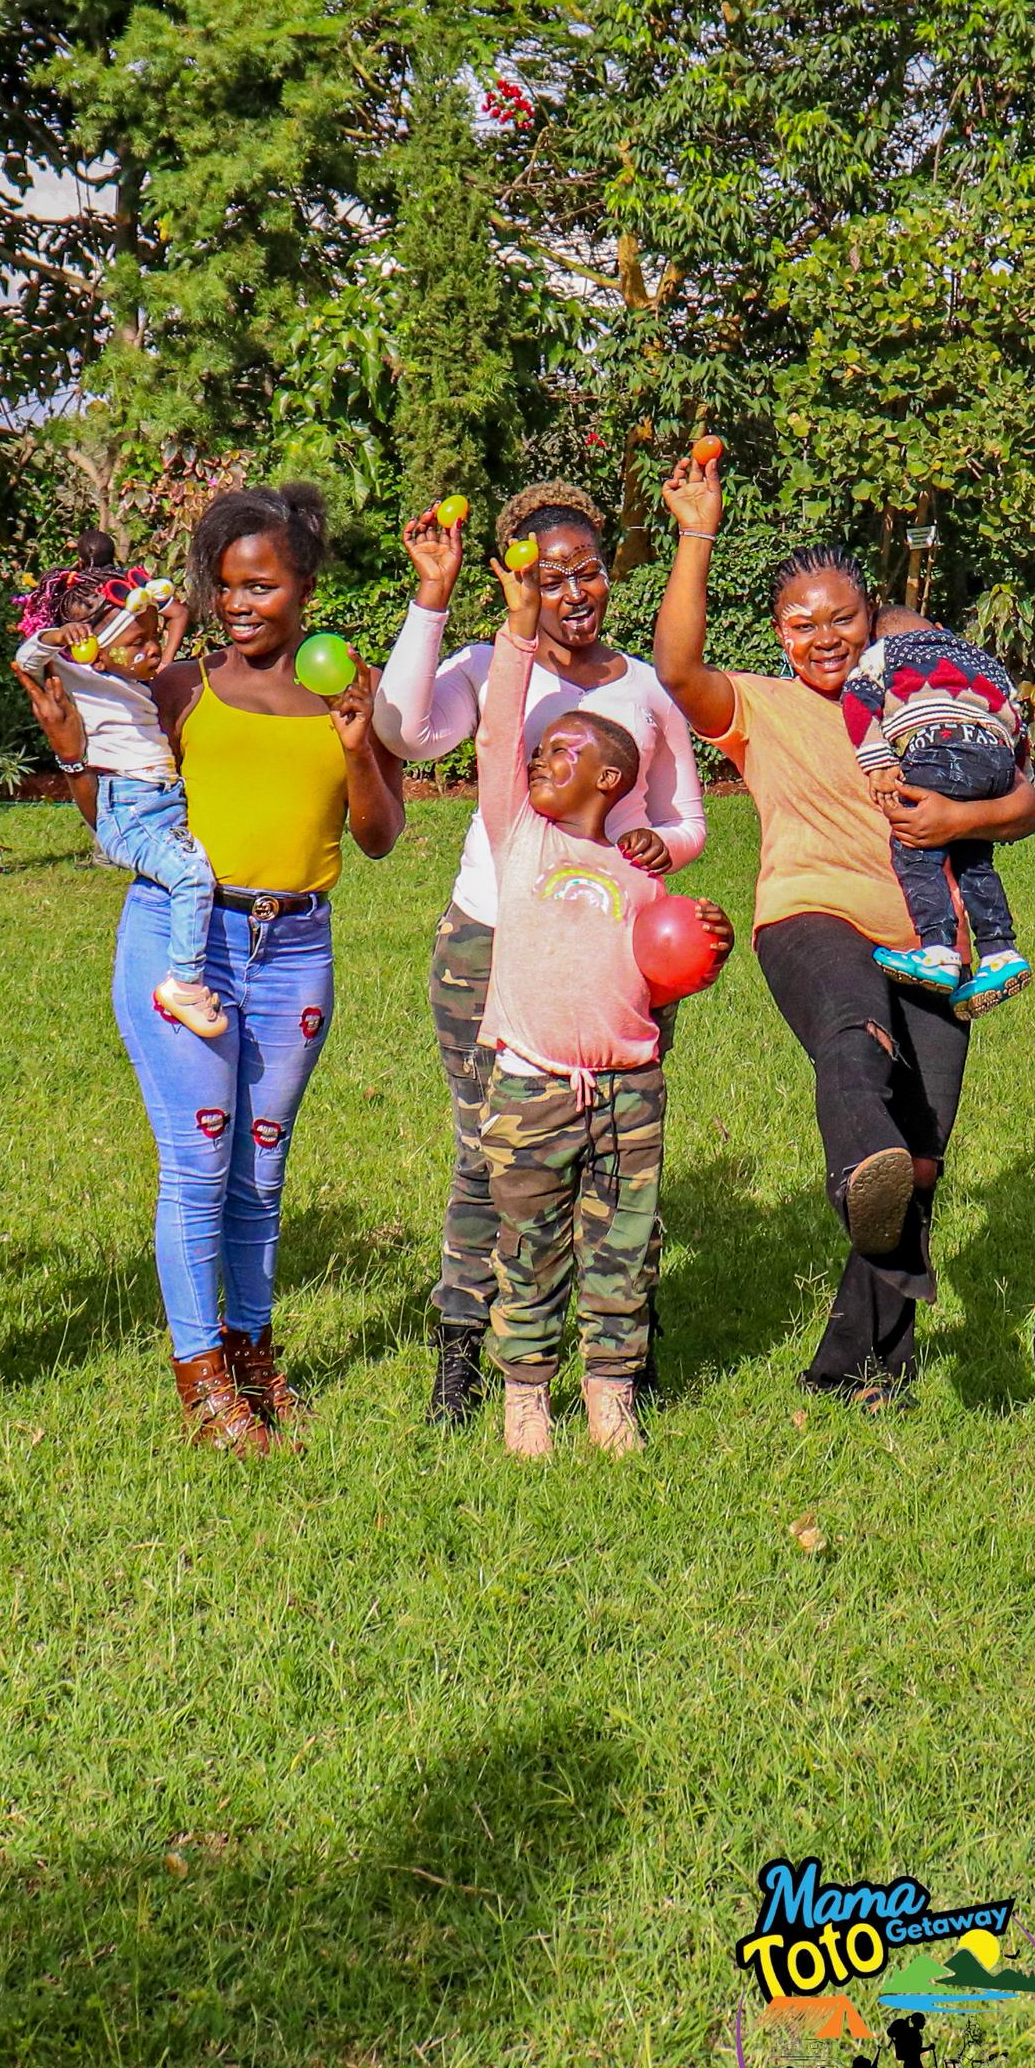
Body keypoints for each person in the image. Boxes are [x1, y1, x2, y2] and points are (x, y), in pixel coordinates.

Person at [653, 439, 1035, 1410]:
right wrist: (695, 534)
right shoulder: (761, 704)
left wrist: (959, 819)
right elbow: (675, 664)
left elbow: (1027, 802)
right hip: (808, 914)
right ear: (779, 634)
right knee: (850, 1041)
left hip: (932, 938)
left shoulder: (919, 700)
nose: (820, 636)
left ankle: (864, 1364)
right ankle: (856, 1171)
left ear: (872, 622)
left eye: (839, 618)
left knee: (921, 1156)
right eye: (799, 622)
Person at [25, 481, 405, 1451]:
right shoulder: (179, 688)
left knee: (259, 1174)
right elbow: (124, 829)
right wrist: (75, 755)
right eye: (226, 586)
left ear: (306, 585)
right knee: (198, 1164)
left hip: (296, 948)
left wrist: (359, 745)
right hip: (181, 943)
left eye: (261, 586)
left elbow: (379, 835)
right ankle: (202, 1385)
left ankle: (251, 1357)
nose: (240, 604)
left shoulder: (347, 681)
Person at [374, 484, 702, 1430]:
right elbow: (403, 730)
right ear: (518, 578)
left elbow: (683, 816)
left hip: (619, 949)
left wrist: (664, 854)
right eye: (547, 575)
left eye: (587, 571)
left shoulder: (641, 687)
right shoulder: (488, 664)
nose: (571, 592)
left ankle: (619, 1354)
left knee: (612, 1145)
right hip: (491, 941)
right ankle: (465, 1350)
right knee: (492, 1150)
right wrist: (431, 599)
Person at [469, 580, 734, 1459]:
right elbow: (499, 729)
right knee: (529, 1244)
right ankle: (525, 1395)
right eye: (542, 750)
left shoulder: (640, 873)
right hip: (530, 1082)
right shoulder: (521, 838)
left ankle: (611, 1389)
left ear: (612, 779)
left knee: (623, 1245)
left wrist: (709, 947)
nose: (541, 758)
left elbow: (661, 977)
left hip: (627, 1088)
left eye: (565, 751)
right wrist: (515, 631)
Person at [16, 561, 227, 1045]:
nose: (154, 649)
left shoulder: (136, 683)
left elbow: (179, 613)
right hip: (130, 808)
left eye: (154, 637)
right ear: (95, 652)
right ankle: (185, 984)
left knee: (195, 866)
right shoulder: (81, 677)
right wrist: (55, 638)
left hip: (160, 801)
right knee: (193, 874)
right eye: (138, 643)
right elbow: (27, 658)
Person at [842, 611, 1033, 1013]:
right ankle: (1001, 952)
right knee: (973, 858)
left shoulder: (886, 653)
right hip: (995, 758)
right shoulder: (981, 659)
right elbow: (1017, 718)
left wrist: (877, 762)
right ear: (941, 630)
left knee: (914, 849)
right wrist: (1015, 772)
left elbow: (857, 699)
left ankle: (938, 951)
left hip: (937, 748)